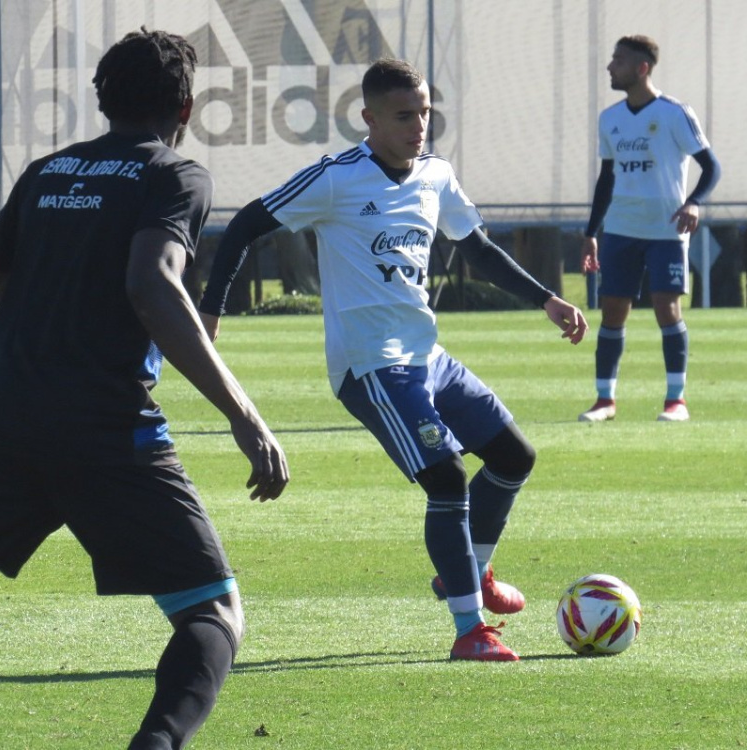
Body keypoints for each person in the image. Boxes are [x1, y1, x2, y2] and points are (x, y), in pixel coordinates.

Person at [0, 28, 288, 750]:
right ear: (186, 107)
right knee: (215, 613)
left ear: (102, 101)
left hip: (4, 429)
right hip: (107, 431)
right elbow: (152, 285)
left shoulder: (45, 173)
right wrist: (245, 414)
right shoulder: (175, 175)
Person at [199, 58, 588, 662]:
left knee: (514, 456)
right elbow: (246, 224)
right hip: (371, 365)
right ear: (370, 119)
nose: (419, 126)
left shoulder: (436, 174)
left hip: (426, 355)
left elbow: (478, 249)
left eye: (425, 112)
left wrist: (547, 299)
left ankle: (470, 571)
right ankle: (470, 629)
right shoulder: (336, 178)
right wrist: (211, 308)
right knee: (446, 477)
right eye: (405, 115)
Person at [578, 35, 720, 423]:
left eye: (619, 60)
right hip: (620, 230)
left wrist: (693, 202)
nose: (610, 67)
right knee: (612, 311)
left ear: (642, 68)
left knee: (666, 308)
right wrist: (591, 233)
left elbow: (711, 167)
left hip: (666, 231)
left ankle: (676, 401)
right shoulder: (610, 118)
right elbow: (606, 179)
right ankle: (605, 401)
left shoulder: (675, 113)